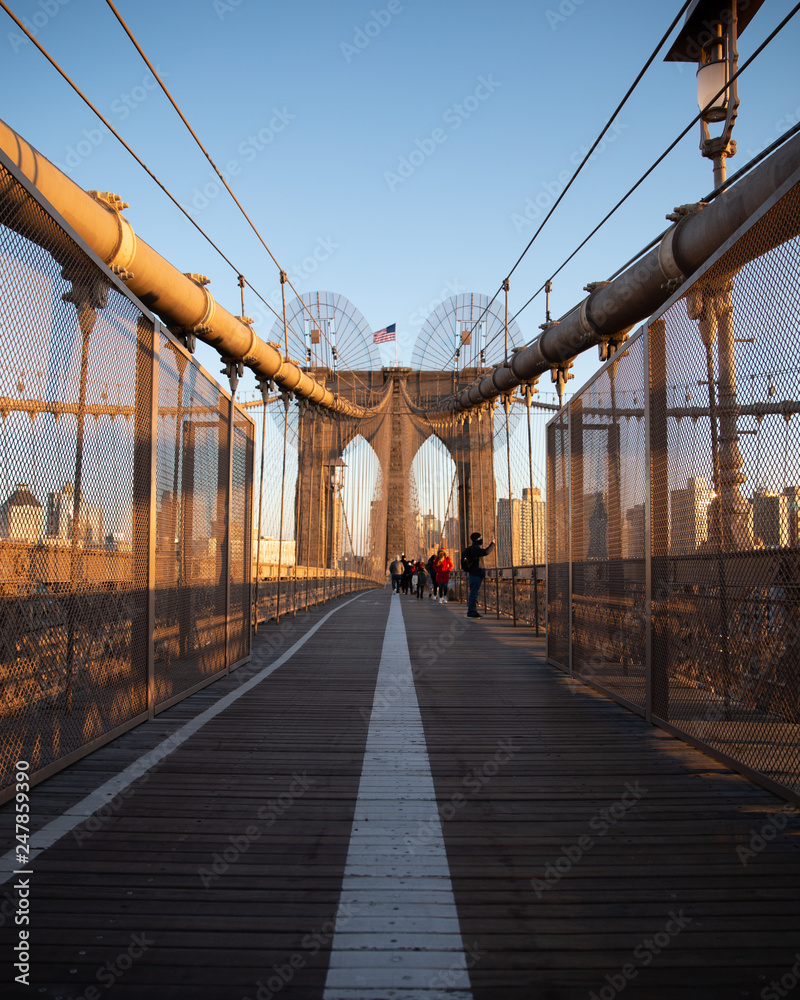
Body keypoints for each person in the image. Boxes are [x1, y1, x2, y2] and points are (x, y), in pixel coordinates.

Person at [464, 531, 495, 618]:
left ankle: (472, 611)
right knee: (473, 594)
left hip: (474, 574)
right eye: (480, 538)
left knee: (473, 593)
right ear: (477, 539)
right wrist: (492, 543)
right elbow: (486, 552)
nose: (481, 539)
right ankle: (471, 612)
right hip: (476, 574)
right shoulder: (475, 548)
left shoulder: (473, 548)